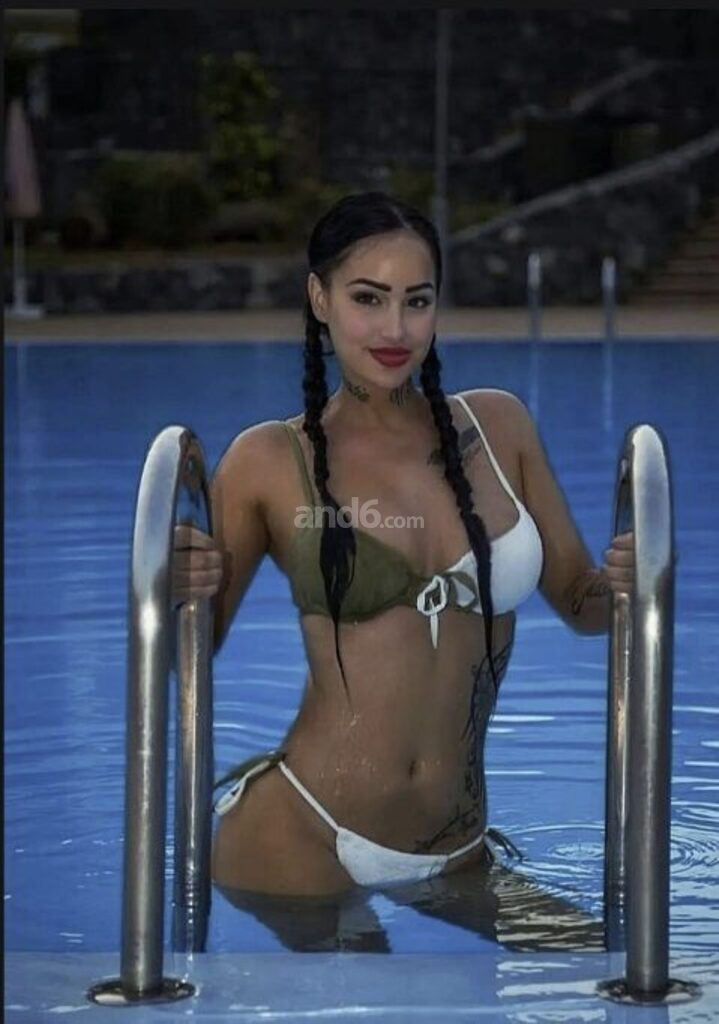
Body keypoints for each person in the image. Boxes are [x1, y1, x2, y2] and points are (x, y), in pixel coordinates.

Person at [173, 191, 634, 949]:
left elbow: (583, 605)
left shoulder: (498, 427)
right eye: (367, 298)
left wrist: (626, 581)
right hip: (304, 836)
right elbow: (188, 656)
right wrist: (171, 590)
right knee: (379, 993)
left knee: (615, 968)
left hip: (458, 848)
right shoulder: (269, 460)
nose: (395, 329)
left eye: (416, 301)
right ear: (319, 298)